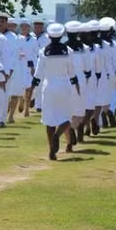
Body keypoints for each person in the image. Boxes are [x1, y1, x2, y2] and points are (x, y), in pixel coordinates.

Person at [32, 23, 80, 160]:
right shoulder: (68, 51)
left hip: (48, 87)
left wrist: (32, 89)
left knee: (49, 119)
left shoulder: (43, 51)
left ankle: (51, 151)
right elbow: (72, 73)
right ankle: (57, 136)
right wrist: (77, 88)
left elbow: (38, 73)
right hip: (64, 86)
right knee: (66, 118)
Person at [63, 21, 90, 152]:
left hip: (66, 81)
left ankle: (68, 137)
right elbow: (88, 68)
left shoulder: (62, 48)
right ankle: (73, 128)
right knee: (79, 112)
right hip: (80, 81)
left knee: (67, 111)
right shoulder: (84, 48)